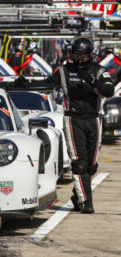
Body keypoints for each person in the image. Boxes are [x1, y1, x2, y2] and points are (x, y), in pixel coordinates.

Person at [16, 38, 114, 213]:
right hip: (72, 119)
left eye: (84, 56)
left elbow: (109, 90)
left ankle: (78, 197)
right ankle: (86, 202)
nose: (80, 60)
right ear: (72, 55)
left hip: (93, 119)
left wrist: (91, 81)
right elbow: (47, 84)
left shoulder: (99, 71)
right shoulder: (64, 70)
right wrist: (27, 84)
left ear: (91, 55)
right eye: (77, 56)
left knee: (91, 166)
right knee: (79, 163)